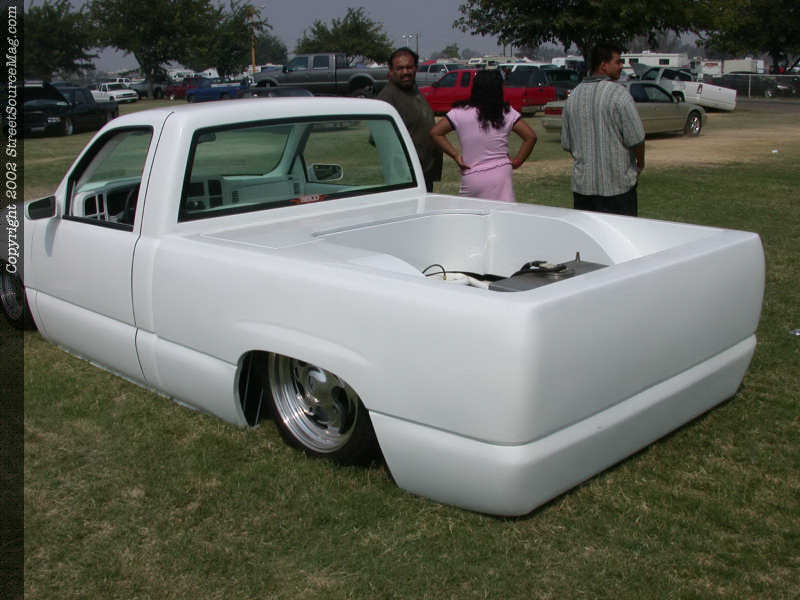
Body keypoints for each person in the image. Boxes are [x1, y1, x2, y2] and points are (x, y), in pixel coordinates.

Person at [561, 43, 645, 216]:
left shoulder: (573, 97)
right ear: (603, 65)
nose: (621, 66)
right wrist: (640, 164)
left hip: (584, 190)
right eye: (618, 62)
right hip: (618, 190)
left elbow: (568, 144)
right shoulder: (619, 94)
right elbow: (636, 139)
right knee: (621, 233)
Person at [429, 70, 537, 202]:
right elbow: (530, 137)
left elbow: (436, 132)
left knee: (470, 214)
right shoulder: (507, 112)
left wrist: (456, 155)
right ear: (499, 89)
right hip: (501, 175)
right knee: (502, 213)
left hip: (472, 176)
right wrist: (517, 161)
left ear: (475, 88)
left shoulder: (459, 112)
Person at [377, 47, 442, 192]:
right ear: (391, 70)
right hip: (405, 178)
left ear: (416, 68)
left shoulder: (413, 90)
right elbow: (379, 139)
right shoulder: (387, 98)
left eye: (409, 67)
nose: (405, 72)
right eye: (400, 68)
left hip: (424, 173)